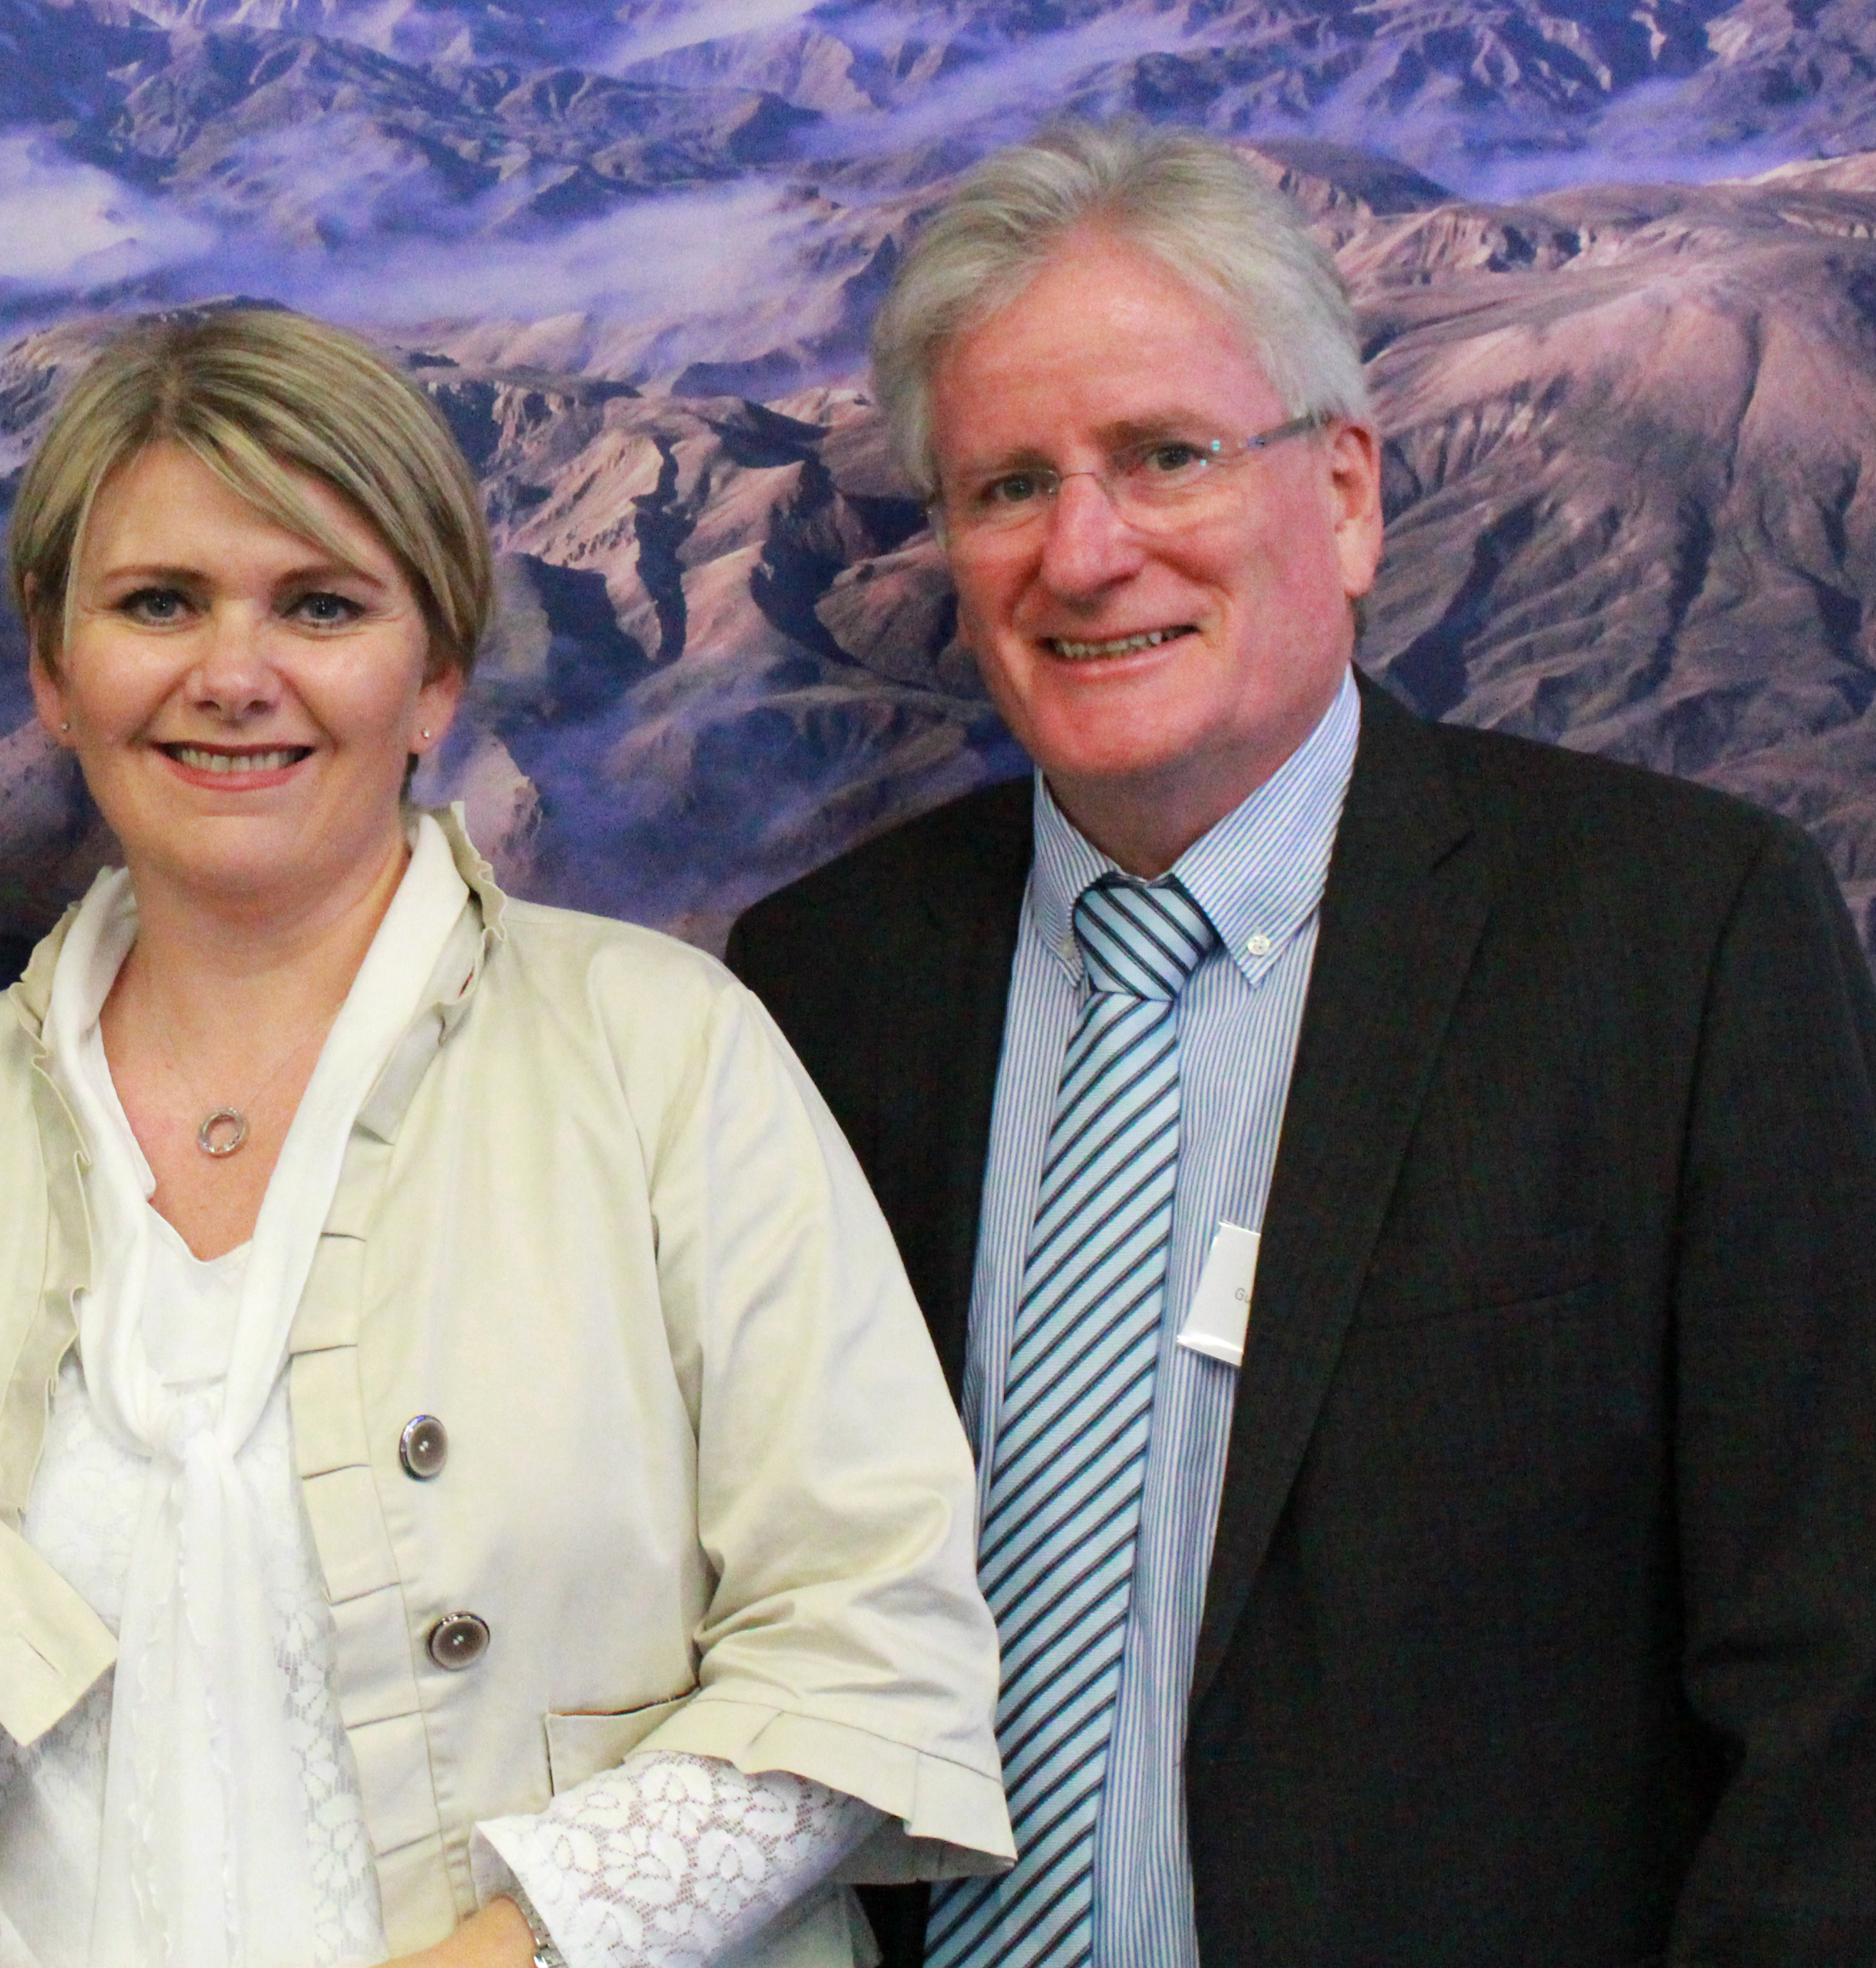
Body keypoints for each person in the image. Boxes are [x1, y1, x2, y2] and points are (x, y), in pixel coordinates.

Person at [0, 306, 1010, 1968]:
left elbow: (866, 1637)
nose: (232, 674)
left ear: (435, 672)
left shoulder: (668, 1063)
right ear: (52, 665)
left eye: (319, 605)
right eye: (158, 601)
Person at [726, 120, 1876, 1968]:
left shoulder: (1675, 940)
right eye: (1004, 486)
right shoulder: (815, 991)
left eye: (1162, 456)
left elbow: (1835, 1706)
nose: (1082, 552)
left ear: (1340, 494)